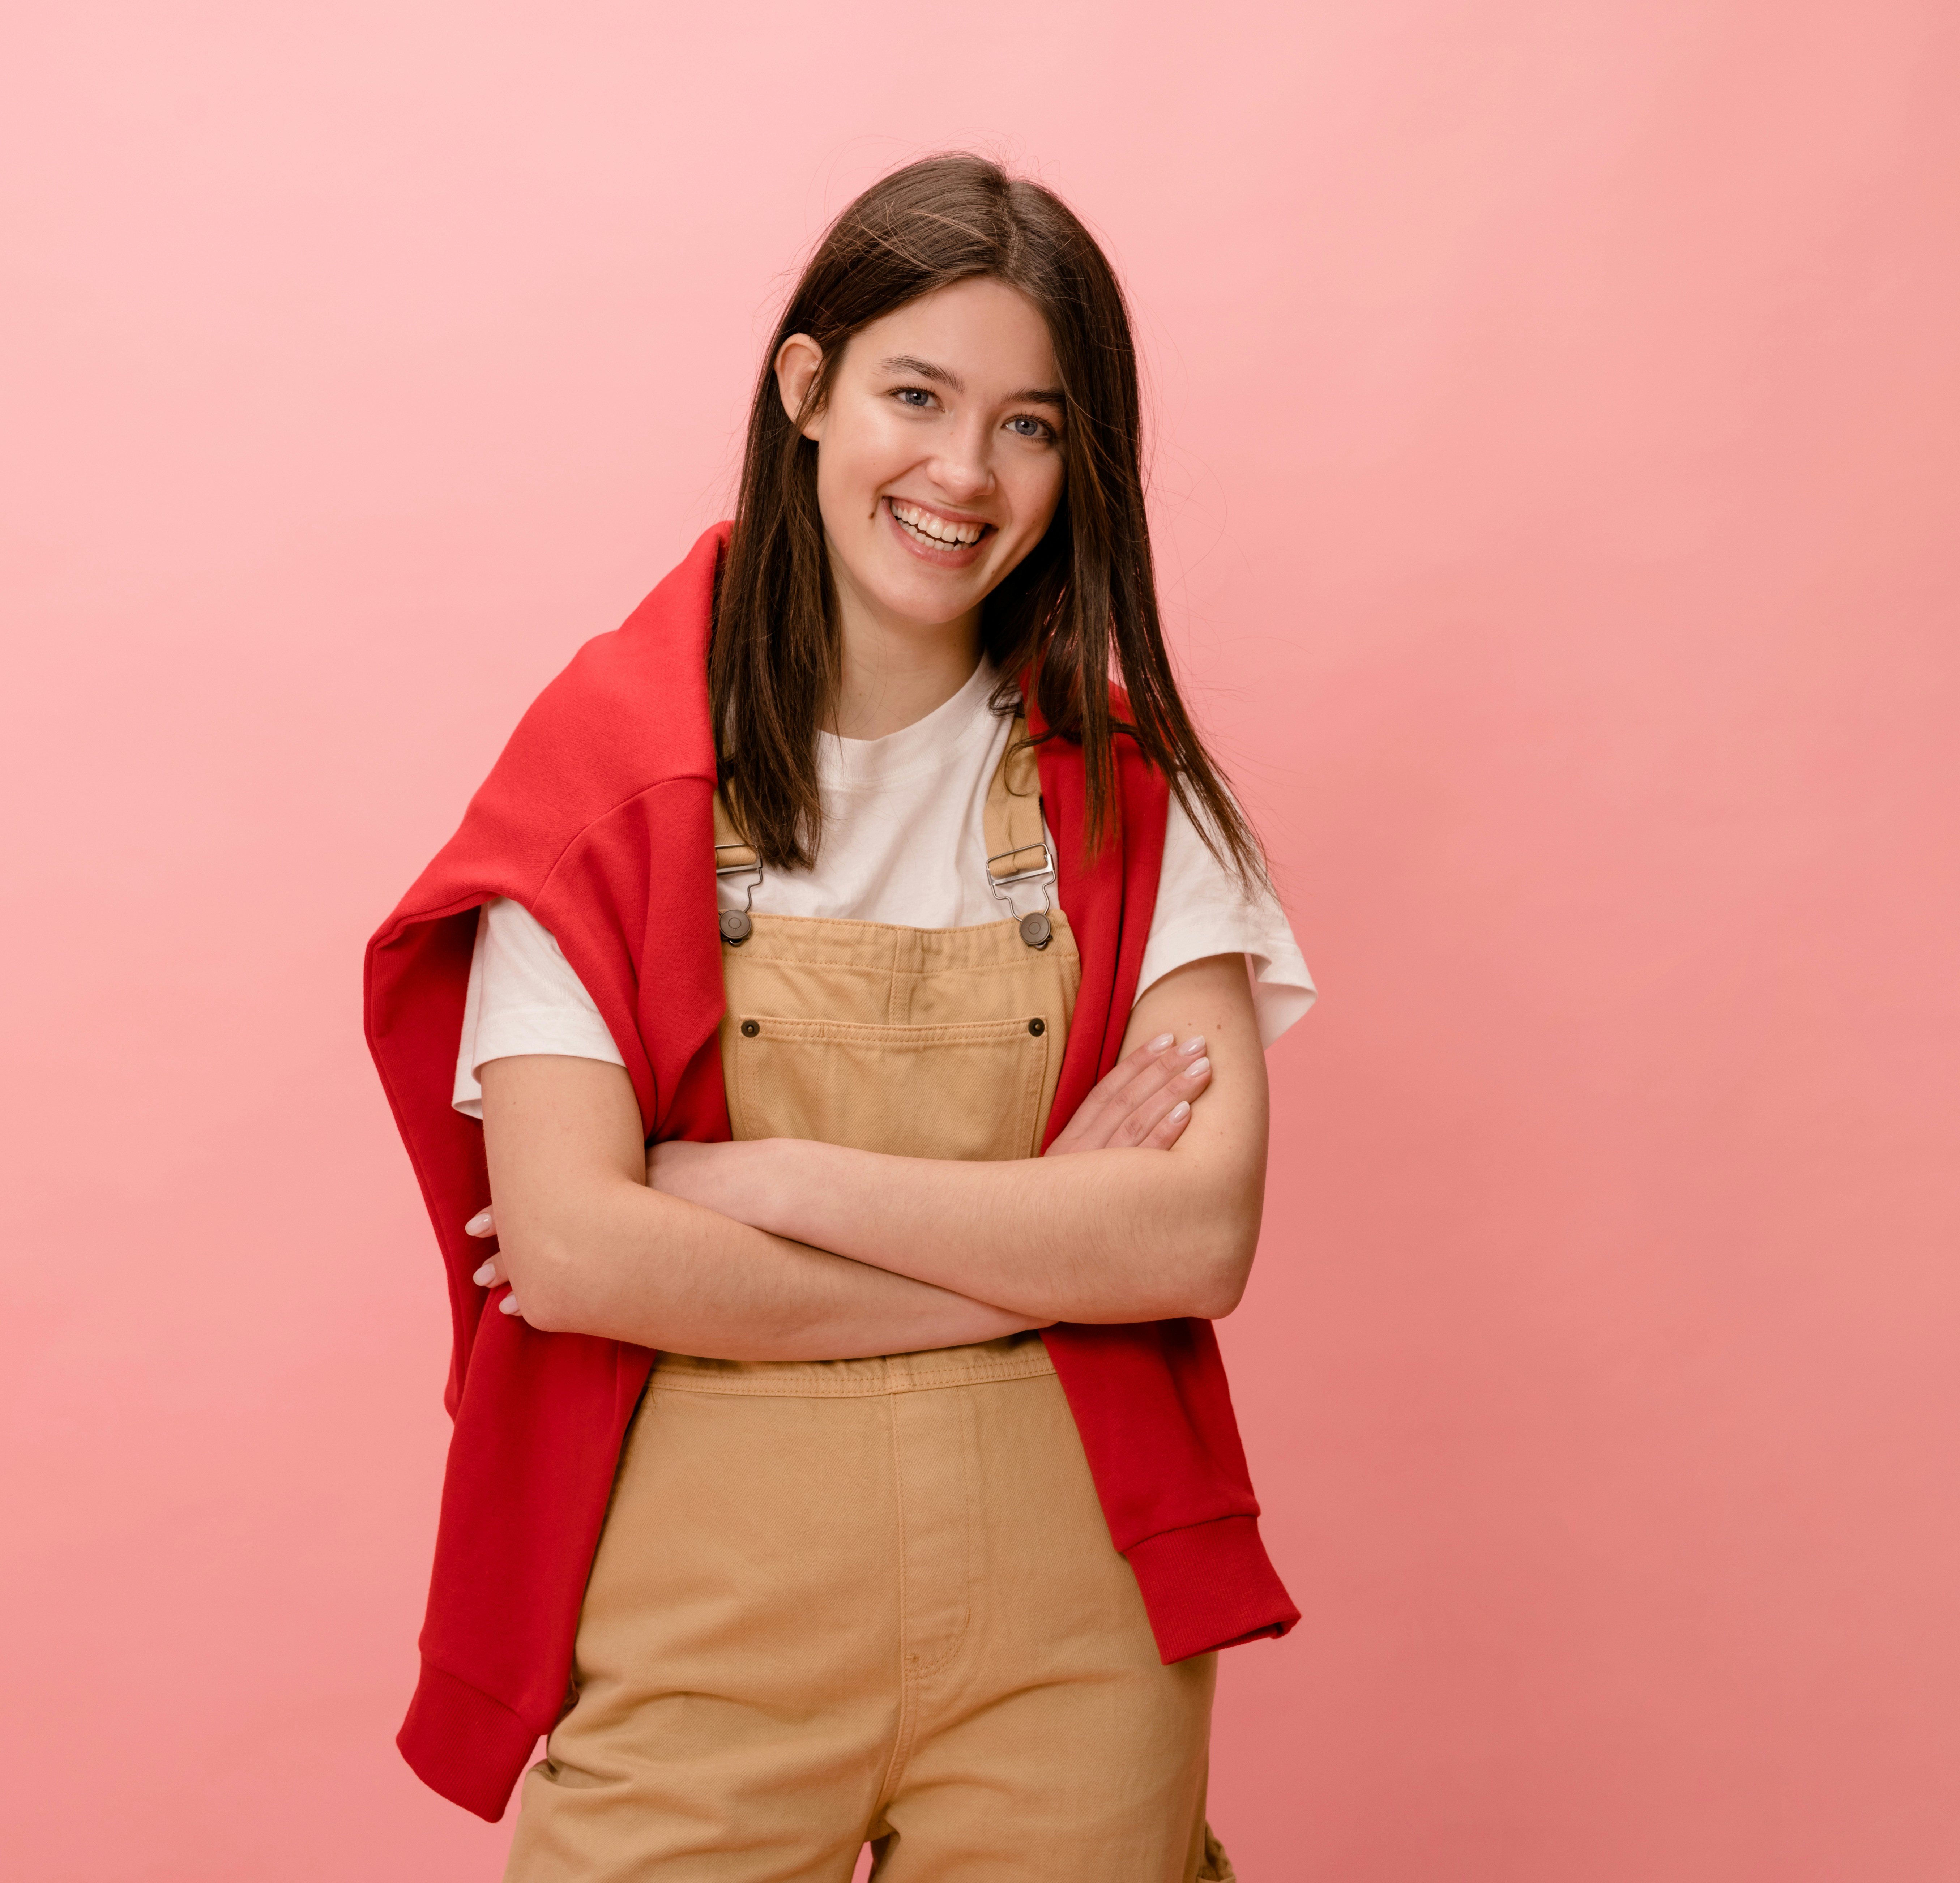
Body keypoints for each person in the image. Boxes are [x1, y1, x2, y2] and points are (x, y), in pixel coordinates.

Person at [362, 153, 1315, 1881]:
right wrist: (1040, 1250)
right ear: (806, 390)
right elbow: (576, 1257)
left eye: (1028, 424)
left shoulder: (1131, 799)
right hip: (702, 1628)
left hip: (1075, 1632)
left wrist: (755, 1182)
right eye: (915, 395)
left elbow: (1193, 1234)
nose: (961, 470)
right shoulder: (604, 778)